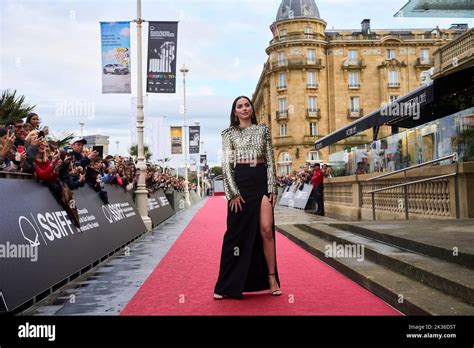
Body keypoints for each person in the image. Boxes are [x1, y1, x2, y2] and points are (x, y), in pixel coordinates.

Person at [214, 95, 281, 300]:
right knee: (236, 235)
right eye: (239, 106)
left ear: (251, 109)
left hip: (260, 181)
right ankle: (226, 284)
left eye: (246, 105)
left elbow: (270, 160)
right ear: (235, 112)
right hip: (240, 184)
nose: (244, 109)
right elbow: (226, 165)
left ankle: (271, 278)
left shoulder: (263, 130)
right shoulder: (228, 133)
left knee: (267, 230)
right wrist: (232, 193)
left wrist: (272, 187)